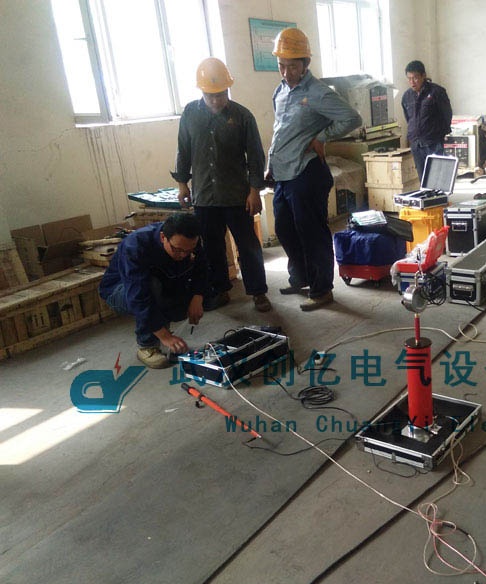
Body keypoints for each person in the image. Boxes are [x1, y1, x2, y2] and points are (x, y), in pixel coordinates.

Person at [267, 28, 362, 311]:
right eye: (281, 66)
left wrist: (322, 137)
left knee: (312, 233)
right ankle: (301, 277)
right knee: (285, 229)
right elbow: (279, 130)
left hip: (306, 172)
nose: (286, 73)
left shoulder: (318, 92)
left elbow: (351, 118)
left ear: (305, 64)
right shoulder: (280, 90)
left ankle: (321, 289)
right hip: (283, 173)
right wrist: (270, 163)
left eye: (292, 66)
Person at [172, 57, 271, 313]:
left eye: (221, 94)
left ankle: (258, 292)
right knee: (211, 247)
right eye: (210, 95)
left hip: (237, 195)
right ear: (201, 92)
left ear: (228, 89)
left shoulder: (242, 116)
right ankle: (220, 289)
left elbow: (255, 157)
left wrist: (254, 191)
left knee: (248, 245)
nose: (216, 101)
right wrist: (182, 184)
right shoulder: (190, 114)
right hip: (204, 196)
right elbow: (183, 150)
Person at [99, 213, 209, 369]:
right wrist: (165, 336)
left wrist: (197, 297)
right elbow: (138, 296)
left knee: (183, 303)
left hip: (163, 281)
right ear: (163, 237)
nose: (183, 255)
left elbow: (202, 268)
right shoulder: (135, 245)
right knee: (152, 286)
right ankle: (147, 345)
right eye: (177, 250)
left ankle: (159, 325)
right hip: (120, 290)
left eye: (188, 250)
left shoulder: (190, 242)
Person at [401, 60, 453, 179]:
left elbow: (447, 115)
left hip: (433, 143)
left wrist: (439, 136)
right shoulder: (406, 96)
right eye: (409, 78)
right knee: (423, 179)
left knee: (437, 178)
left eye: (415, 78)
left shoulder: (437, 92)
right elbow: (409, 119)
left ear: (423, 76)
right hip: (416, 145)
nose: (412, 82)